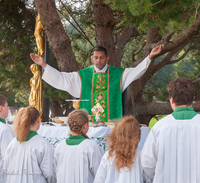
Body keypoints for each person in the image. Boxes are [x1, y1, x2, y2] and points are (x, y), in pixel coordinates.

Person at [30, 45, 162, 122]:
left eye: (102, 58)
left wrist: (150, 57)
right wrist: (43, 64)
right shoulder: (83, 75)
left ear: (107, 58)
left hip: (111, 125)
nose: (98, 61)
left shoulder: (118, 74)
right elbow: (62, 79)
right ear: (92, 58)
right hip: (89, 126)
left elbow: (136, 72)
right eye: (96, 58)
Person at [140, 78, 200, 183]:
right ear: (193, 99)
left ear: (171, 100)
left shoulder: (159, 127)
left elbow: (147, 163)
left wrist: (161, 175)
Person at [4, 106, 56, 183]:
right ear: (38, 119)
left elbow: (6, 169)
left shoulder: (12, 144)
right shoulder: (43, 144)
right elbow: (49, 173)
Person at [93, 116, 150, 183]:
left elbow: (99, 180)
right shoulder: (141, 155)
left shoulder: (109, 156)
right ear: (136, 135)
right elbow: (149, 179)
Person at [53, 110, 104, 183]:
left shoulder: (60, 146)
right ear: (85, 126)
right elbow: (100, 175)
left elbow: (55, 173)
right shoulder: (91, 146)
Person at [0, 95, 14, 182]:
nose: (8, 109)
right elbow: (9, 157)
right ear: (1, 108)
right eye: (7, 106)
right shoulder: (4, 129)